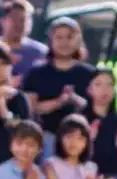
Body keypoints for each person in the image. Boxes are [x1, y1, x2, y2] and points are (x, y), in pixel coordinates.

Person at [21, 17, 95, 157]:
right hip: (47, 135)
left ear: (78, 40)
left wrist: (75, 100)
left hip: (81, 137)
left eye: (69, 37)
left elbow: (96, 108)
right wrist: (59, 101)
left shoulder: (90, 74)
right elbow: (31, 107)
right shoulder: (37, 73)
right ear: (51, 41)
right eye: (59, 37)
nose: (64, 42)